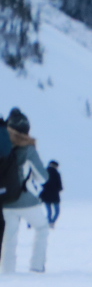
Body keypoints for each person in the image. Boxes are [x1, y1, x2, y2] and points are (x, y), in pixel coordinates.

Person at [0, 108, 51, 274]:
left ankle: (7, 272)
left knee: (10, 238)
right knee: (42, 228)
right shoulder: (28, 149)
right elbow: (43, 177)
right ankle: (36, 267)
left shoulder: (4, 148)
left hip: (5, 199)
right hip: (25, 199)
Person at [40, 159, 61, 227]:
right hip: (55, 195)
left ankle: (48, 223)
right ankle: (51, 223)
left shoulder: (44, 172)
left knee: (49, 212)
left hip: (46, 195)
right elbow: (59, 185)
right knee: (57, 211)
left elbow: (41, 184)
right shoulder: (56, 173)